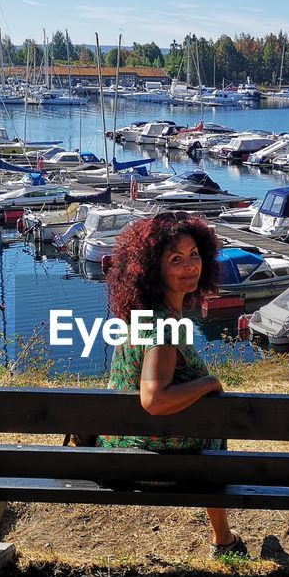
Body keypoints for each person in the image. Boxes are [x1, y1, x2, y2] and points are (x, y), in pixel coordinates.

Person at [98, 212, 246, 558]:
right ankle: (223, 539)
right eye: (176, 259)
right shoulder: (165, 327)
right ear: (153, 268)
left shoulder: (141, 314)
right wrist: (209, 382)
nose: (190, 265)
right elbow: (154, 399)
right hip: (154, 461)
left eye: (194, 255)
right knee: (213, 436)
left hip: (117, 445)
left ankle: (223, 537)